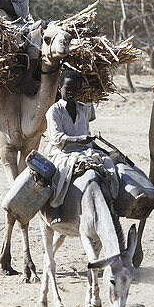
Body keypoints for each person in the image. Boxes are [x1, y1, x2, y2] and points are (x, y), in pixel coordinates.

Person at [44, 69, 119, 223]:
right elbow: (57, 138)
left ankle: (113, 202)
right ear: (60, 89)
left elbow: (87, 135)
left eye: (75, 89)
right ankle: (56, 205)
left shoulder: (83, 108)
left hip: (85, 150)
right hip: (62, 152)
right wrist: (80, 139)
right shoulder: (54, 111)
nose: (71, 92)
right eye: (67, 89)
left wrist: (104, 150)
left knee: (109, 165)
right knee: (63, 171)